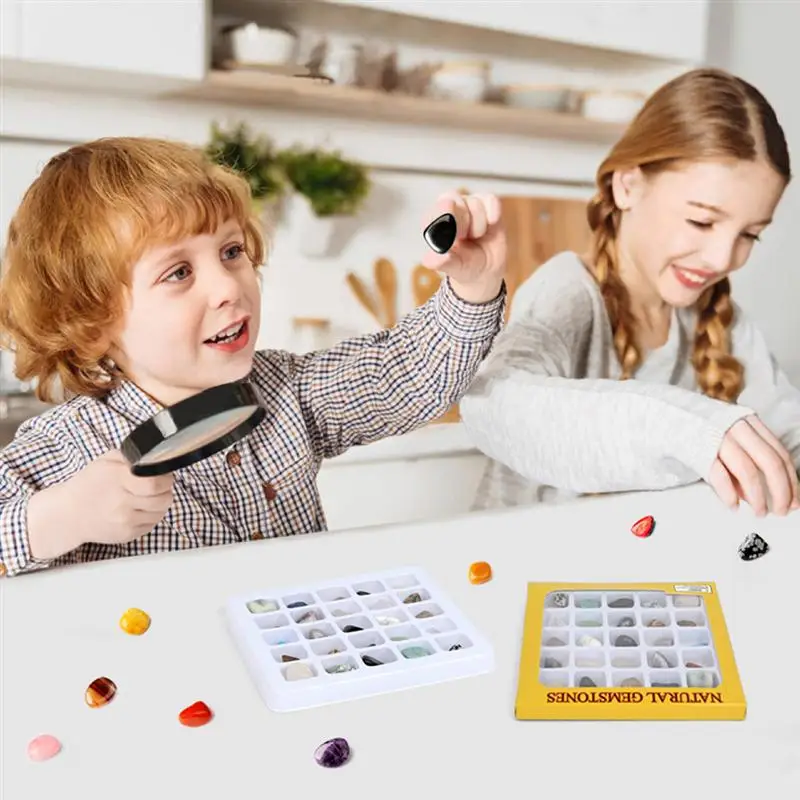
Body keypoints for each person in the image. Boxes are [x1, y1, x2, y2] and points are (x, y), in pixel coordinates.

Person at [0, 137, 507, 578]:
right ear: (92, 322)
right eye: (178, 273)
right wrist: (52, 520)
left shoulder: (288, 389)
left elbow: (403, 373)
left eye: (231, 251)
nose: (228, 287)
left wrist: (473, 285)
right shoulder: (67, 447)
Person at [456, 67, 800, 518]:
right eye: (701, 221)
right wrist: (691, 427)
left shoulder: (724, 321)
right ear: (627, 186)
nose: (722, 258)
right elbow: (493, 405)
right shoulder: (569, 290)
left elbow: (788, 436)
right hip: (527, 574)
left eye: (750, 234)